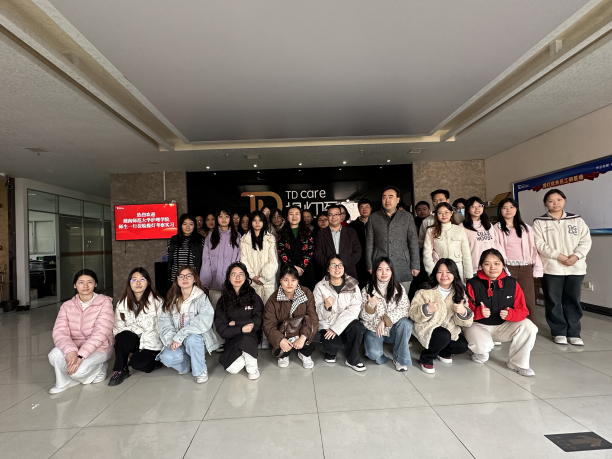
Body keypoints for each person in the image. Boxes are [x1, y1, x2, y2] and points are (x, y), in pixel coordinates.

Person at [463, 249, 538, 376]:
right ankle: (480, 354)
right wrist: (479, 312)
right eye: (487, 264)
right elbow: (465, 312)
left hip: (503, 326)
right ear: (481, 266)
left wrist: (511, 315)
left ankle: (517, 363)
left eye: (497, 263)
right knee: (482, 349)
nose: (492, 267)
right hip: (478, 325)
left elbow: (523, 310)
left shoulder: (512, 283)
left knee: (529, 327)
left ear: (503, 265)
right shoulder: (473, 284)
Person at [533, 189, 591, 346]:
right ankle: (559, 332)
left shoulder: (576, 220)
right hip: (552, 267)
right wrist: (558, 256)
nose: (555, 203)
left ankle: (574, 333)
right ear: (545, 203)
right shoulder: (539, 222)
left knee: (573, 300)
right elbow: (539, 244)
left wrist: (576, 256)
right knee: (553, 301)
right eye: (551, 201)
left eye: (559, 199)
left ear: (564, 200)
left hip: (576, 267)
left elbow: (585, 240)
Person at [48, 269, 114, 394]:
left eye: (90, 282)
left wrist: (80, 356)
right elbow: (60, 332)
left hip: (100, 347)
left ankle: (99, 369)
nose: (85, 286)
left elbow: (100, 333)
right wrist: (70, 351)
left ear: (95, 284)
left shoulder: (104, 303)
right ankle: (63, 382)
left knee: (78, 372)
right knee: (54, 355)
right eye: (81, 282)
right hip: (74, 346)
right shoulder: (67, 306)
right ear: (75, 285)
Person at [409, 259, 472, 374]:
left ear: (454, 274)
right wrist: (427, 309)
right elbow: (412, 313)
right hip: (428, 325)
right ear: (435, 273)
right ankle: (426, 358)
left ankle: (442, 351)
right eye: (440, 272)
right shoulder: (425, 290)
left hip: (449, 327)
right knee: (443, 335)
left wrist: (462, 312)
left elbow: (466, 322)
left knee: (462, 345)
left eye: (448, 272)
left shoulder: (459, 291)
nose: (444, 275)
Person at [158, 266, 219, 383]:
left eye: (188, 276)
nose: (185, 278)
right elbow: (165, 324)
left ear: (194, 279)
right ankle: (186, 365)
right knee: (166, 358)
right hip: (177, 339)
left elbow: (204, 320)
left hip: (197, 339)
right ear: (177, 280)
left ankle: (200, 371)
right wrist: (172, 340)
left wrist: (180, 335)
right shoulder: (171, 299)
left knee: (192, 340)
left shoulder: (201, 297)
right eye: (181, 276)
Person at [109, 267, 164, 386]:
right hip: (133, 339)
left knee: (138, 364)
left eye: (142, 279)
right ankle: (120, 370)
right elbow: (118, 327)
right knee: (122, 336)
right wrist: (124, 351)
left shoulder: (158, 302)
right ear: (129, 283)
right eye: (134, 280)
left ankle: (155, 361)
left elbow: (162, 327)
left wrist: (162, 347)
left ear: (148, 282)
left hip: (151, 341)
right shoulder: (122, 304)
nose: (138, 283)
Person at [492, 197, 543, 321]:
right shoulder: (495, 229)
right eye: (504, 208)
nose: (508, 210)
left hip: (525, 266)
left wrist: (537, 267)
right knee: (506, 297)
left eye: (511, 207)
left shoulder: (526, 228)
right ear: (500, 210)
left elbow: (533, 248)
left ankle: (530, 325)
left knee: (527, 298)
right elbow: (495, 248)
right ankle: (508, 324)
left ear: (516, 209)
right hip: (506, 267)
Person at [313, 255, 366, 371]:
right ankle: (332, 350)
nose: (337, 268)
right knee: (332, 348)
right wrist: (327, 307)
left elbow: (354, 310)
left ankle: (352, 360)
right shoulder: (320, 287)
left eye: (340, 265)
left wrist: (336, 328)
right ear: (328, 269)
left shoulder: (353, 285)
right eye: (333, 265)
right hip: (328, 325)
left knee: (357, 326)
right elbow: (317, 315)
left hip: (346, 323)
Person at [360, 257, 413, 371]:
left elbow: (405, 309)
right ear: (375, 271)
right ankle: (381, 353)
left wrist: (385, 320)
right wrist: (370, 306)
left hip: (392, 330)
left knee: (406, 323)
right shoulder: (367, 290)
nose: (384, 273)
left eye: (387, 269)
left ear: (392, 271)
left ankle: (400, 358)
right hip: (374, 329)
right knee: (373, 354)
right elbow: (363, 317)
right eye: (380, 269)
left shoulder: (399, 288)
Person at [263, 265, 319, 368]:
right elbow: (268, 325)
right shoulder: (273, 299)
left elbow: (313, 318)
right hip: (284, 333)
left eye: (293, 280)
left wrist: (303, 337)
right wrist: (281, 340)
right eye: (286, 280)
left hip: (302, 331)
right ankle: (284, 354)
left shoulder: (306, 293)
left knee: (314, 336)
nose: (289, 284)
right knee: (279, 350)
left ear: (298, 281)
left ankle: (304, 353)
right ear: (280, 280)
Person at [365, 186, 420, 292]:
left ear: (398, 199)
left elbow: (413, 242)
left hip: (402, 264)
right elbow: (369, 244)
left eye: (391, 197)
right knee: (381, 296)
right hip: (380, 264)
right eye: (384, 197)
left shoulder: (407, 217)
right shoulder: (373, 218)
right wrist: (369, 265)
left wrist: (416, 265)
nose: (387, 200)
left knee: (402, 296)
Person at [214, 262, 263, 380]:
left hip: (250, 336)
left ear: (246, 277)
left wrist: (236, 323)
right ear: (228, 277)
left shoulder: (253, 297)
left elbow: (258, 321)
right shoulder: (223, 300)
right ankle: (246, 356)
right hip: (232, 338)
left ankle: (252, 368)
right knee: (232, 369)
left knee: (246, 340)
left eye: (241, 274)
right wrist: (241, 328)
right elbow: (222, 329)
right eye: (234, 274)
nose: (237, 277)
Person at [240, 210, 279, 349]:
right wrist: (252, 276)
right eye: (254, 220)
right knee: (253, 311)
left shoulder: (270, 238)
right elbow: (243, 260)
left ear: (264, 222)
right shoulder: (244, 239)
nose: (257, 223)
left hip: (267, 282)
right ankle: (255, 338)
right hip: (252, 282)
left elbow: (273, 261)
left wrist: (262, 277)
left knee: (269, 311)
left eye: (260, 220)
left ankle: (267, 338)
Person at [200, 207, 241, 307]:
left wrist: (236, 278)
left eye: (226, 216)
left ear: (230, 218)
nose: (224, 219)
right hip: (214, 282)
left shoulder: (236, 236)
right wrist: (206, 280)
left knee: (231, 310)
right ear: (217, 218)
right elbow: (206, 259)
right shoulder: (210, 237)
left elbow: (239, 258)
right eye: (220, 216)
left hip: (231, 282)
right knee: (215, 309)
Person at [423, 203, 472, 281]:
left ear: (451, 213)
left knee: (458, 288)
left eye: (446, 212)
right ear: (436, 215)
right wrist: (432, 272)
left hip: (458, 269)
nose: (444, 215)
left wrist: (468, 274)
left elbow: (466, 253)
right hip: (440, 271)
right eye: (440, 213)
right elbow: (427, 254)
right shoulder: (431, 231)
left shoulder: (459, 230)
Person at [314, 204, 362, 280]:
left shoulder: (351, 232)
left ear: (341, 216)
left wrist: (342, 265)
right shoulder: (321, 234)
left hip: (349, 272)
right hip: (328, 273)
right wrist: (331, 266)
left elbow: (357, 252)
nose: (333, 217)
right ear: (328, 217)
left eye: (336, 214)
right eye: (330, 214)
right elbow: (318, 253)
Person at [277, 205, 316, 290]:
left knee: (307, 294)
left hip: (305, 270)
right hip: (288, 270)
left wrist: (301, 267)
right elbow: (281, 252)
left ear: (301, 216)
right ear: (287, 217)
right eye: (291, 214)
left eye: (297, 214)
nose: (294, 216)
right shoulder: (281, 233)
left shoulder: (308, 232)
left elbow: (310, 251)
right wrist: (293, 267)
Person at [463, 196, 497, 276]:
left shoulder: (489, 225)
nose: (477, 208)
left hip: (491, 267)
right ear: (467, 209)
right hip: (474, 268)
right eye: (473, 206)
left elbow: (495, 244)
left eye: (480, 205)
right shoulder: (462, 227)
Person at [167, 213, 204, 281]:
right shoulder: (173, 240)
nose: (188, 227)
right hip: (175, 278)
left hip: (192, 279)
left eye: (191, 224)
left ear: (194, 226)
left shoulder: (200, 240)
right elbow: (170, 260)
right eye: (184, 224)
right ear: (180, 225)